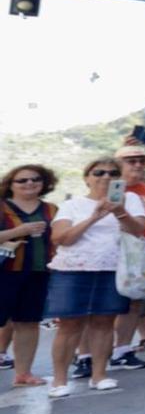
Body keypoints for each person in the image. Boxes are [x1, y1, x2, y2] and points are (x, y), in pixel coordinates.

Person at [46, 157, 145, 397]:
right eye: (99, 172)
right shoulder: (73, 205)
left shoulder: (131, 199)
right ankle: (59, 380)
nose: (106, 177)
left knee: (104, 323)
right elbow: (61, 238)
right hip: (73, 269)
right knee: (69, 324)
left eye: (113, 173)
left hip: (113, 268)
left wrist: (120, 211)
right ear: (87, 178)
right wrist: (94, 216)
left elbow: (138, 230)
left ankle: (99, 374)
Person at [105, 145, 145, 372]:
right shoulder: (109, 187)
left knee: (134, 301)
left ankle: (122, 350)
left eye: (141, 161)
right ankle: (88, 354)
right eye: (131, 161)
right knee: (105, 306)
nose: (138, 165)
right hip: (111, 252)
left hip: (140, 252)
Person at [0, 164, 59, 386]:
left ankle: (23, 373)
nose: (29, 183)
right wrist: (19, 231)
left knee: (28, 323)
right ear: (11, 184)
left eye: (35, 179)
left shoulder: (51, 209)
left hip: (37, 273)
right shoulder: (2, 206)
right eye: (22, 180)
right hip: (4, 271)